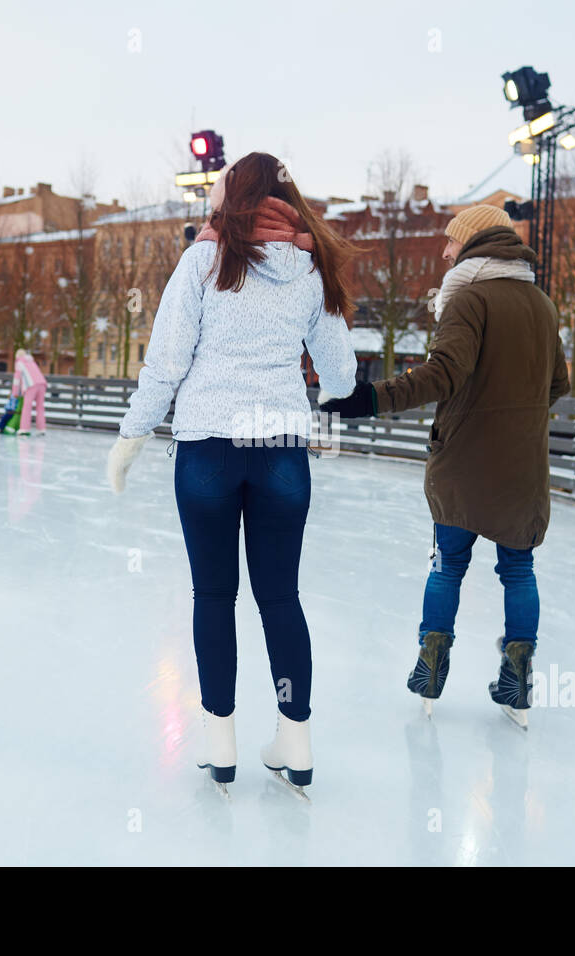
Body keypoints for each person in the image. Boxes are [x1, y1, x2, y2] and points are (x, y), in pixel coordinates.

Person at [106, 152, 358, 794]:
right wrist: (303, 385)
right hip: (279, 448)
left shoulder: (203, 258)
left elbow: (166, 361)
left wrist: (132, 433)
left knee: (213, 596)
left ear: (231, 196)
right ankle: (295, 741)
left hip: (208, 452)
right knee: (280, 598)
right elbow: (342, 377)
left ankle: (221, 742)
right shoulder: (310, 268)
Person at [320, 204, 570, 728]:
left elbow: (442, 375)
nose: (444, 251)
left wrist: (367, 399)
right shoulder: (542, 304)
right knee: (519, 570)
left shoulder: (469, 297)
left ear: (475, 244)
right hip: (523, 468)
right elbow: (559, 385)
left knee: (447, 566)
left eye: (451, 242)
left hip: (463, 463)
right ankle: (518, 675)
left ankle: (431, 667)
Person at [10, 348, 47, 436]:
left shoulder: (19, 363)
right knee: (40, 407)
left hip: (31, 385)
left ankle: (24, 428)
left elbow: (17, 379)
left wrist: (14, 393)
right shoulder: (31, 361)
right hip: (42, 383)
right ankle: (41, 428)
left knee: (27, 407)